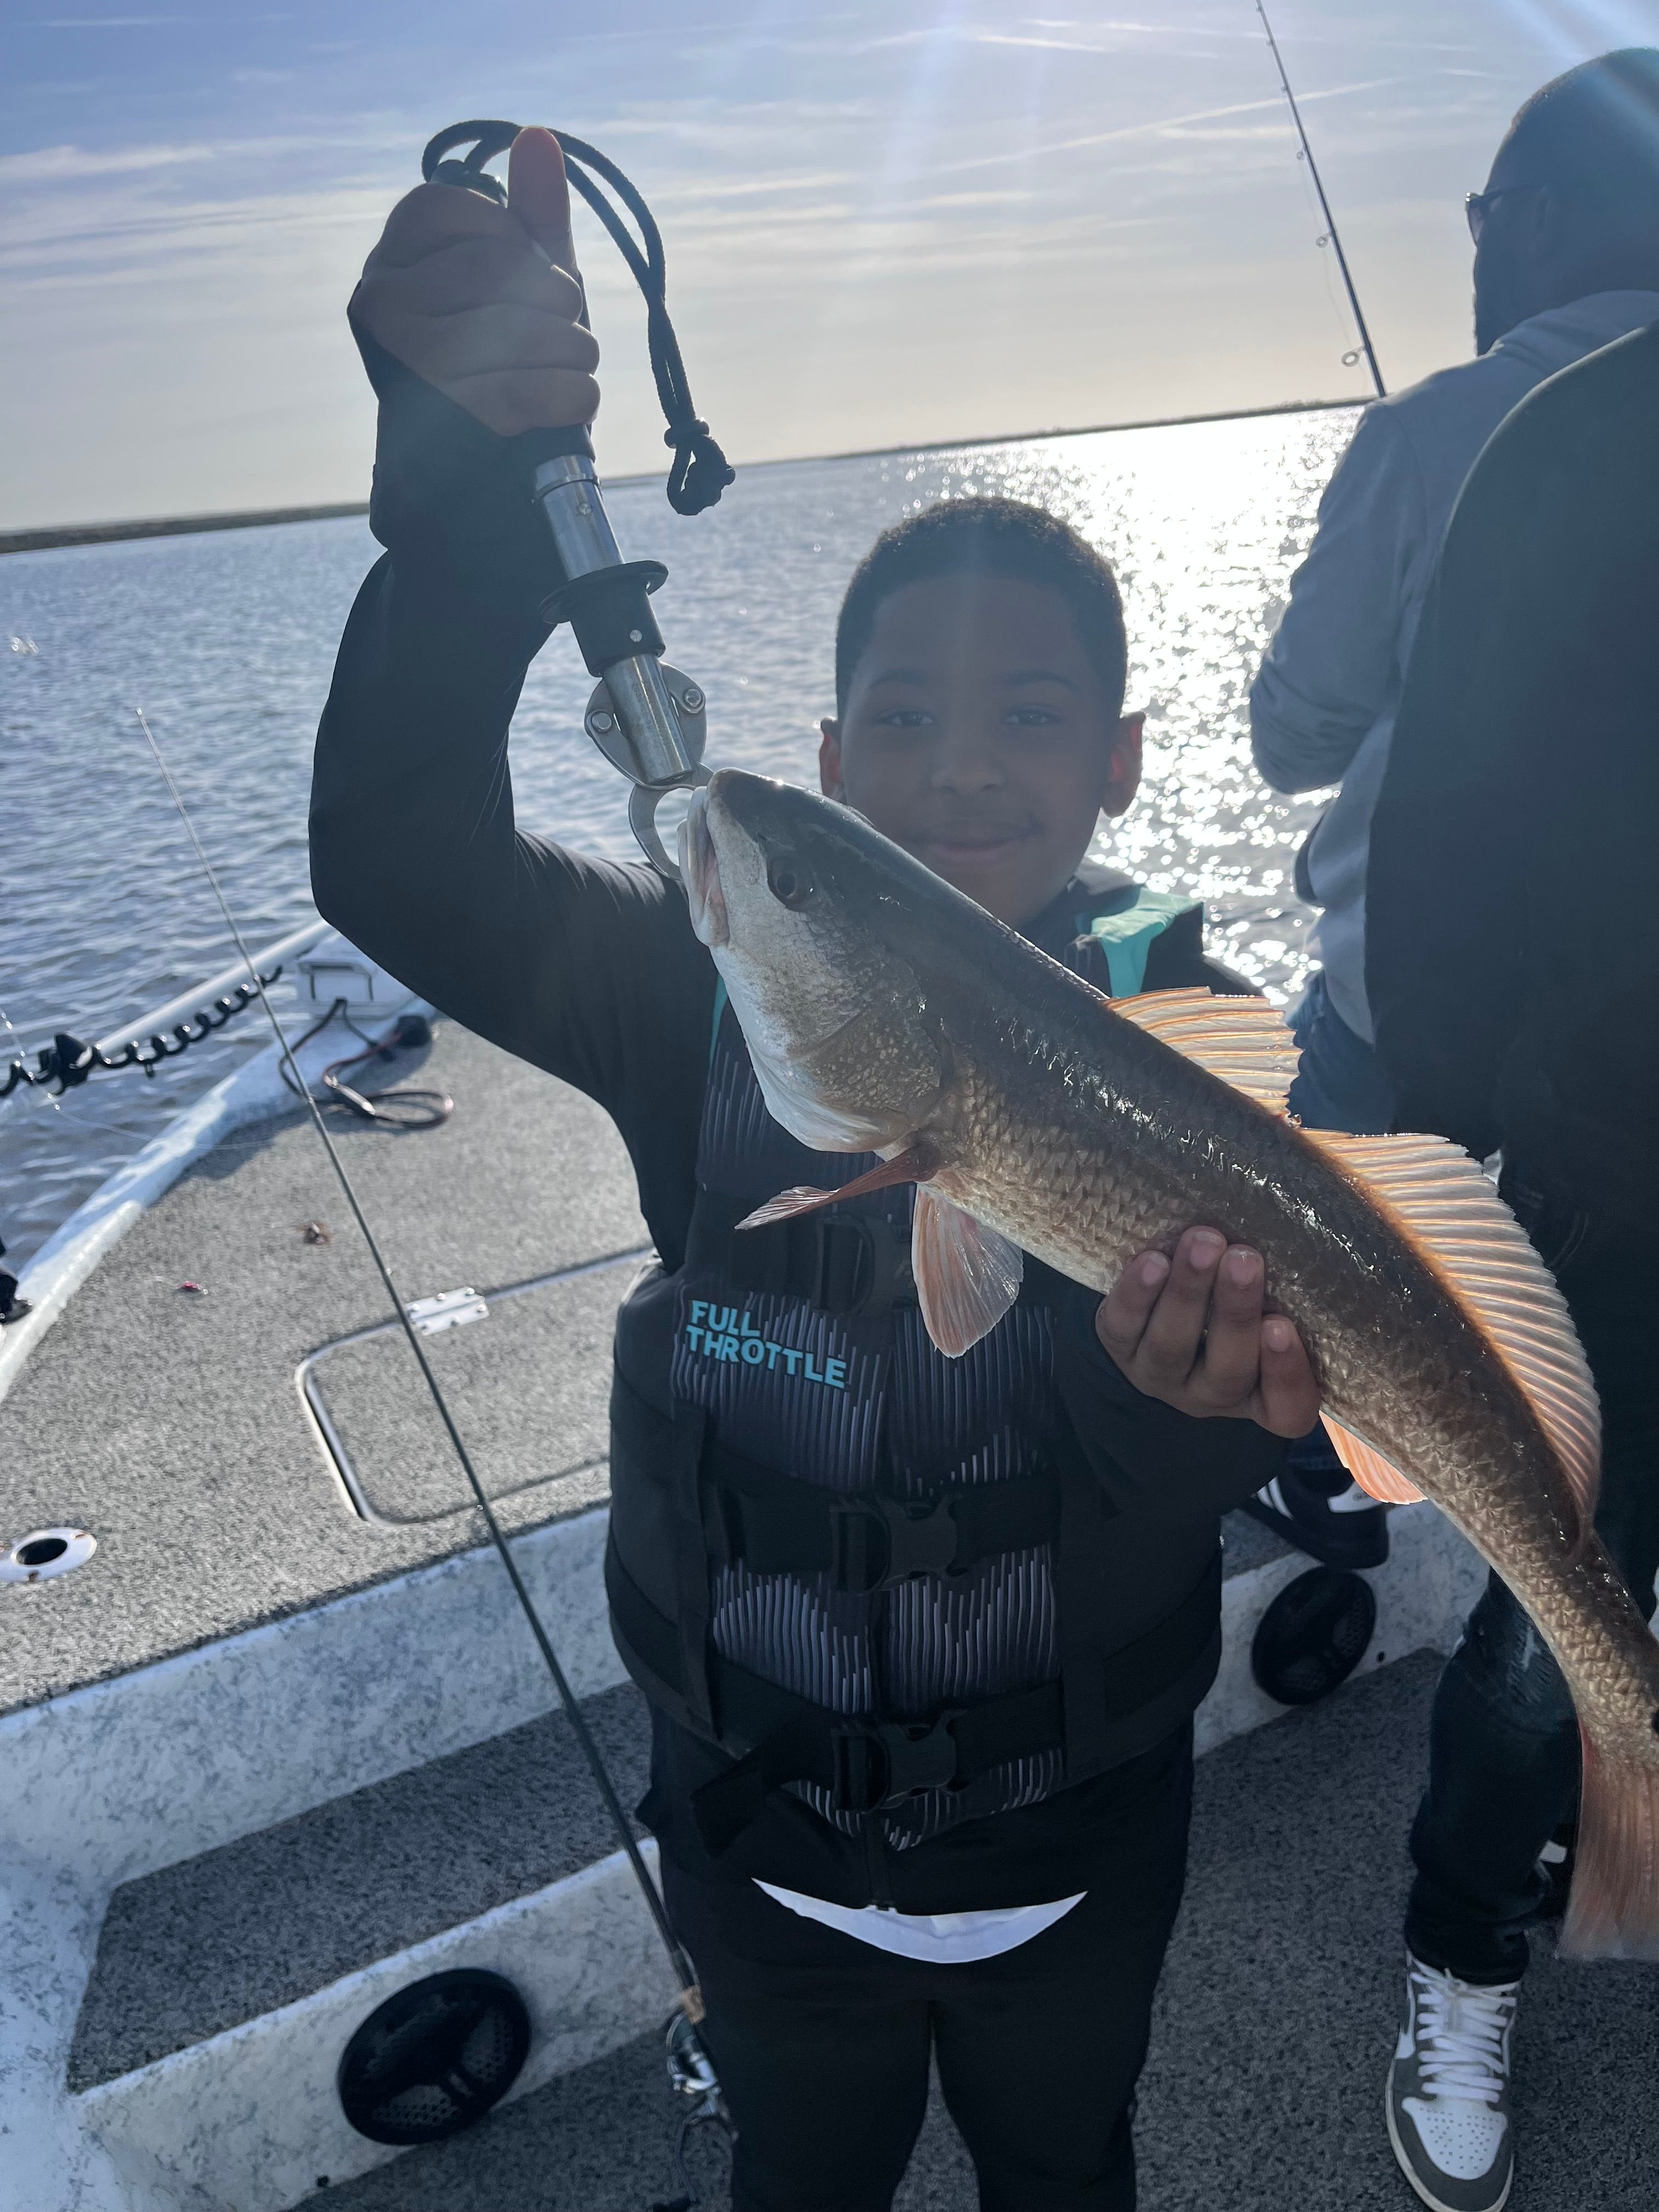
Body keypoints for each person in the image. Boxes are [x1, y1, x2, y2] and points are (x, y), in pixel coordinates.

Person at [312, 128, 1321, 2212]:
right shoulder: (687, 988)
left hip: (1077, 1859)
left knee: (1071, 2176)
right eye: (905, 716)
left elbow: (1243, 1451)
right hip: (760, 1861)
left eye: (1035, 714)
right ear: (833, 764)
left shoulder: (1184, 1065)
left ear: (1124, 761)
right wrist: (460, 535)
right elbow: (397, 860)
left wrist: (1196, 1409)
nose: (967, 763)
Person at [1243, 48, 1659, 1575]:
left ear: (1534, 219)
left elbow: (1293, 733)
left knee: (1282, 1141)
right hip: (1623, 1069)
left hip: (1423, 1029)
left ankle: (1308, 1446)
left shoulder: (1442, 428)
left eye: (1483, 215)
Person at [1363, 295, 1659, 2210]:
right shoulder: (1576, 445)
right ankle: (1465, 1949)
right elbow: (1444, 833)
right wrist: (1490, 1126)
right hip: (1612, 1169)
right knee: (1559, 1614)